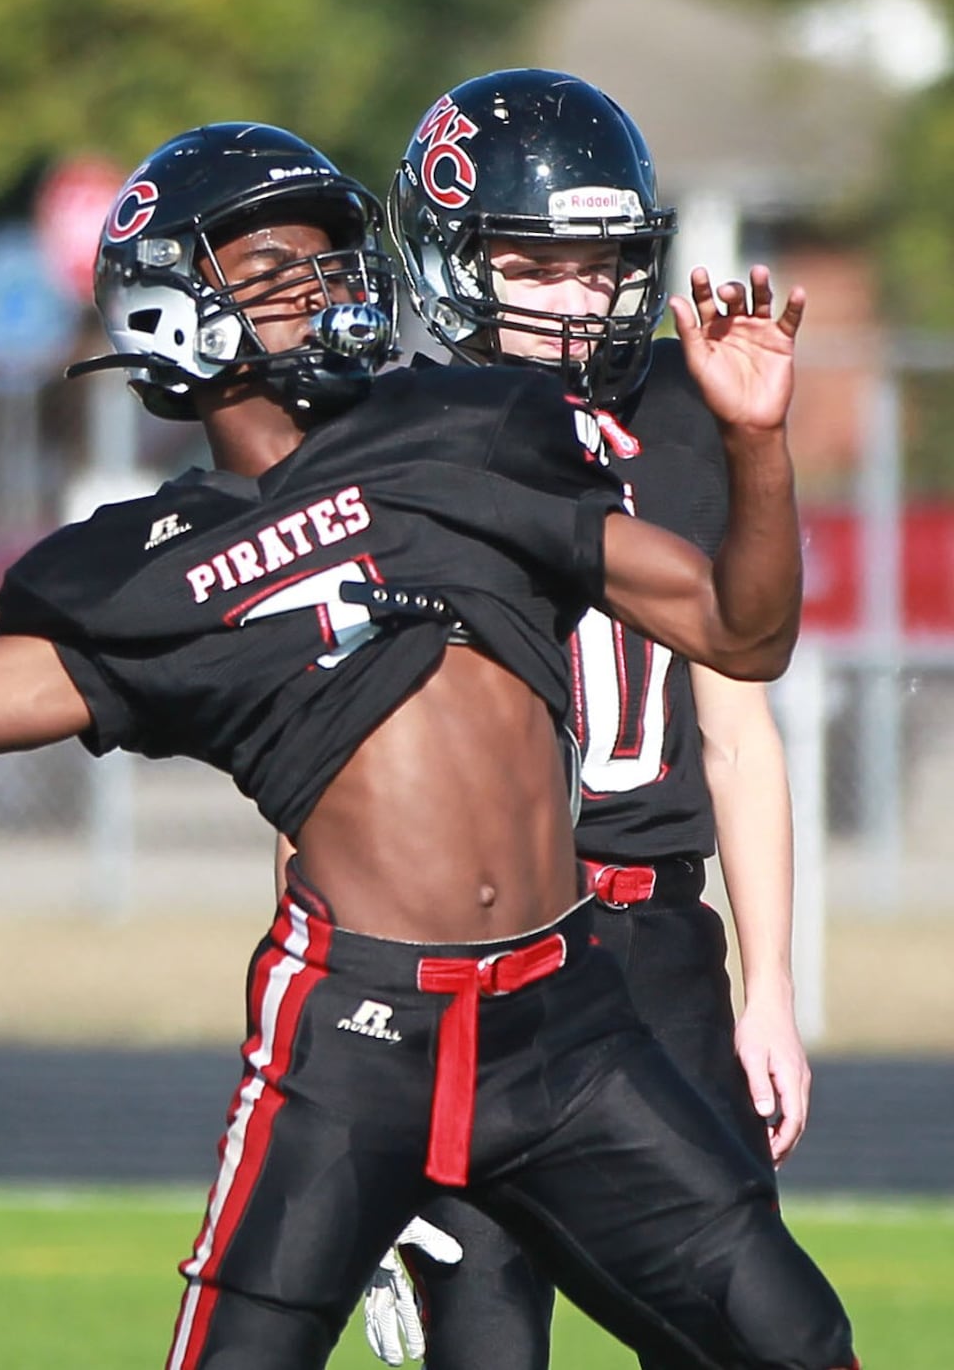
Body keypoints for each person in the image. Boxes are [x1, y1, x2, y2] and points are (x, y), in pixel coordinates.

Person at [0, 120, 855, 1370]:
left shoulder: (465, 433)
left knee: (794, 1337)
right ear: (172, 309)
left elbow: (740, 640)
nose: (323, 288)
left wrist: (756, 446)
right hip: (358, 1033)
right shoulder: (147, 573)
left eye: (330, 260)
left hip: (563, 1008)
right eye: (275, 270)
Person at [361, 67, 811, 1370]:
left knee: (738, 1331)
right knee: (487, 1338)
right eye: (538, 265)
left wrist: (769, 985)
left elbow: (739, 730)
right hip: (475, 945)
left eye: (602, 266)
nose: (577, 299)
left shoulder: (688, 414)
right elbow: (338, 782)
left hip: (657, 932)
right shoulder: (391, 441)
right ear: (455, 257)